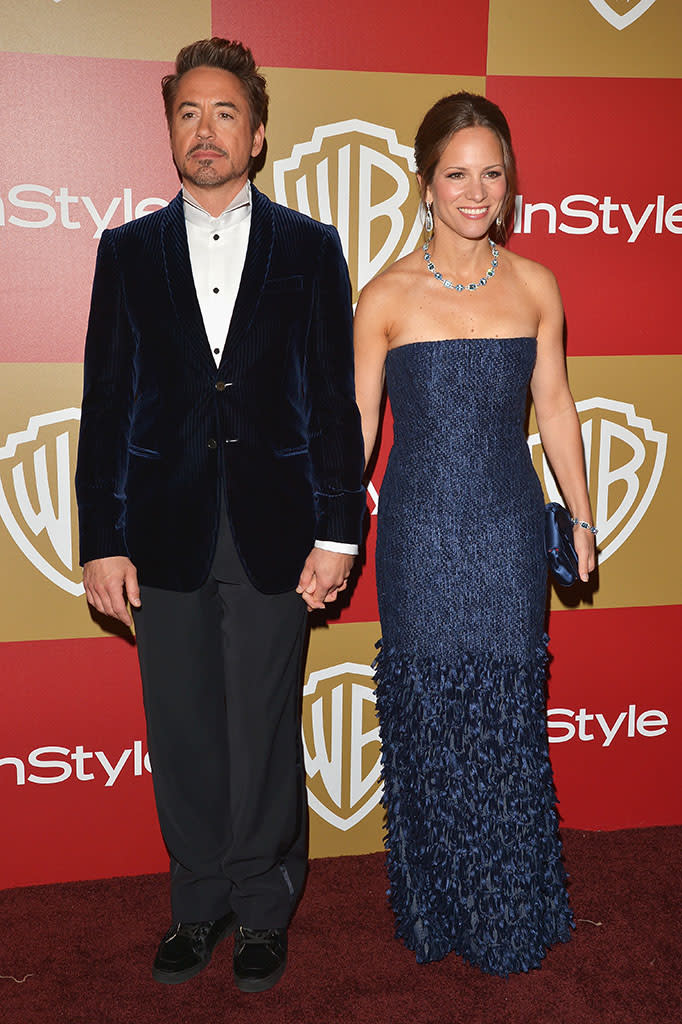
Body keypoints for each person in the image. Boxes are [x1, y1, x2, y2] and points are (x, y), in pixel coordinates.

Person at [75, 37, 365, 993]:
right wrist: (102, 540)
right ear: (169, 131)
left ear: (260, 132)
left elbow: (334, 404)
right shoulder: (125, 253)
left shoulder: (312, 249)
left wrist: (338, 530)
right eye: (189, 114)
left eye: (225, 113)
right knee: (186, 728)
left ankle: (264, 906)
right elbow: (107, 406)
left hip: (280, 529)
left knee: (266, 729)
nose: (207, 130)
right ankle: (197, 904)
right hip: (162, 529)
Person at [353, 92, 596, 975]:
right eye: (456, 173)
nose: (475, 189)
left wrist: (580, 514)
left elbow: (558, 407)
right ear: (425, 185)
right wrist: (333, 532)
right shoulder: (384, 294)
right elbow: (358, 428)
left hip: (505, 529)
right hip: (417, 533)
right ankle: (438, 904)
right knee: (426, 715)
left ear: (509, 181)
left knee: (504, 718)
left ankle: (510, 906)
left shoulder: (536, 285)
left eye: (492, 172)